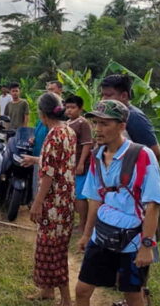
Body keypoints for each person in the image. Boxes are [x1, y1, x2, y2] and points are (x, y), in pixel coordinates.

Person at [75, 100, 160, 306]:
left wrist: (147, 245)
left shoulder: (142, 156)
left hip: (132, 240)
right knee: (82, 290)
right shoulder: (97, 156)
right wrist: (87, 234)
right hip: (102, 234)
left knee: (132, 295)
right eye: (96, 123)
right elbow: (95, 199)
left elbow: (153, 205)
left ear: (122, 126)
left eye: (105, 124)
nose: (98, 129)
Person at [23, 92, 76, 306]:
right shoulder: (68, 131)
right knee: (50, 246)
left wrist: (37, 203)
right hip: (65, 200)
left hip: (54, 202)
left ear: (43, 115)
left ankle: (65, 299)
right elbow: (56, 162)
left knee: (52, 249)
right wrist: (35, 159)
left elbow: (50, 173)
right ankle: (46, 291)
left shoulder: (54, 134)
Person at [100, 74, 160, 161]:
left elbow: (155, 153)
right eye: (103, 95)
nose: (103, 100)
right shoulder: (111, 116)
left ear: (124, 96)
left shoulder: (135, 117)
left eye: (108, 96)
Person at [65, 95, 93, 233]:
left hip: (80, 164)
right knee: (71, 194)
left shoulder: (83, 123)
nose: (69, 110)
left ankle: (83, 225)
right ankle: (74, 222)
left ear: (80, 109)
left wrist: (81, 163)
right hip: (69, 164)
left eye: (73, 107)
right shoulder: (67, 123)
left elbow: (87, 144)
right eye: (67, 107)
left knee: (80, 196)